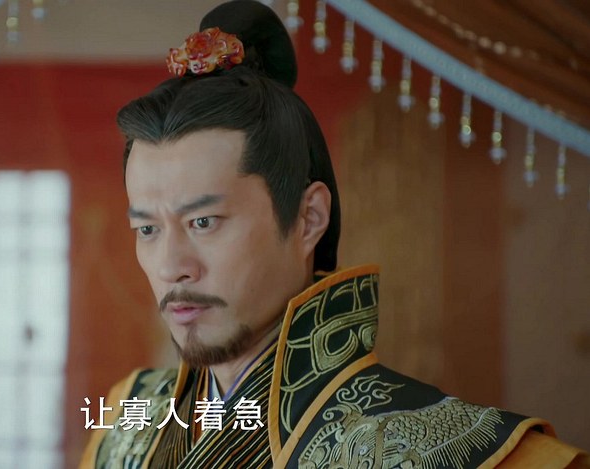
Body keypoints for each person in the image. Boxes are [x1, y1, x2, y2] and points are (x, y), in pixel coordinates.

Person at [80, 1, 590, 467]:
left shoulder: (489, 456)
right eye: (147, 228)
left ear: (308, 218)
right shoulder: (126, 425)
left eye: (203, 222)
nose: (171, 266)